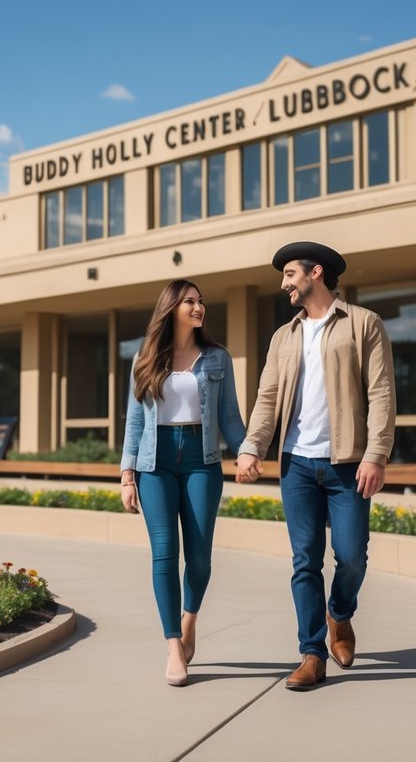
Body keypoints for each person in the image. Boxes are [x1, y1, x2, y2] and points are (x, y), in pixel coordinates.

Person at [235, 241, 395, 691]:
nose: (284, 283)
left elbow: (382, 393)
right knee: (305, 560)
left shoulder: (364, 324)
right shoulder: (283, 337)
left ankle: (340, 614)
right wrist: (252, 448)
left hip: (347, 464)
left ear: (315, 273)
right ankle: (312, 652)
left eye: (289, 273)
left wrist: (376, 454)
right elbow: (267, 398)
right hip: (298, 465)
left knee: (351, 558)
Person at [121, 279, 247, 686]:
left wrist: (246, 451)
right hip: (153, 463)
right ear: (171, 308)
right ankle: (173, 645)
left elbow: (230, 416)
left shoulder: (217, 358)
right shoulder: (145, 358)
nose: (198, 307)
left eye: (201, 301)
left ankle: (188, 618)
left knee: (200, 557)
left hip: (202, 461)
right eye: (190, 301)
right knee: (163, 553)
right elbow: (135, 421)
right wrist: (127, 474)